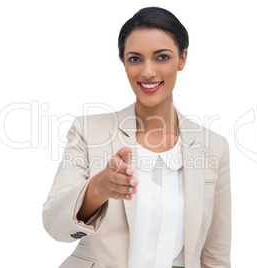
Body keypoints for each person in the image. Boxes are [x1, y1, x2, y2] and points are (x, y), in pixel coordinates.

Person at [42, 6, 231, 268]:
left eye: (162, 57)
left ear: (182, 58)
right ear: (124, 63)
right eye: (135, 59)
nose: (148, 72)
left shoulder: (214, 148)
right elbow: (54, 223)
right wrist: (99, 188)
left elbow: (215, 256)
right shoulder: (88, 131)